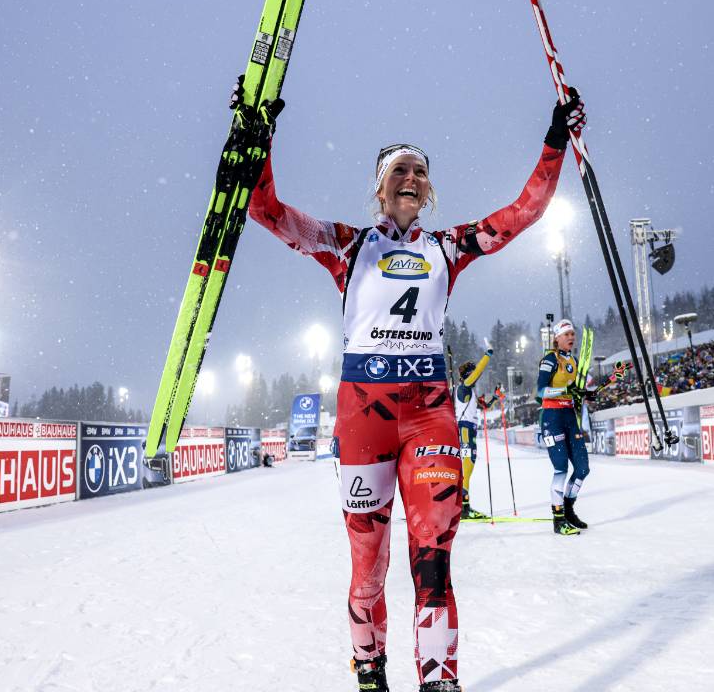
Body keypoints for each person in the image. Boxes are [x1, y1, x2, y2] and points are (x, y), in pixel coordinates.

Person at [245, 79, 585, 692]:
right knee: (367, 567)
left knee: (433, 558)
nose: (412, 178)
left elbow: (524, 212)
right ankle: (370, 669)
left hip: (428, 413)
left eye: (421, 172)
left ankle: (439, 680)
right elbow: (267, 211)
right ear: (379, 187)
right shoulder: (348, 247)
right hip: (363, 414)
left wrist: (555, 139)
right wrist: (258, 143)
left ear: (429, 191)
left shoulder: (448, 247)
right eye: (400, 170)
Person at [536, 318, 598, 535]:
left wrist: (587, 395)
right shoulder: (550, 359)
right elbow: (540, 392)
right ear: (557, 338)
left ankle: (569, 509)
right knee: (561, 468)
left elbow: (578, 390)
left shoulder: (574, 362)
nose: (571, 337)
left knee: (582, 468)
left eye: (573, 334)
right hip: (552, 418)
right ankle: (558, 519)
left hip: (570, 417)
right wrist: (565, 392)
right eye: (567, 334)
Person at [454, 348, 493, 520]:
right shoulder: (464, 386)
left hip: (470, 430)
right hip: (464, 428)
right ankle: (464, 507)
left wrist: (496, 398)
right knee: (466, 467)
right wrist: (488, 355)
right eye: (473, 374)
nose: (477, 377)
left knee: (468, 466)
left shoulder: (470, 391)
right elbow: (478, 371)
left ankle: (462, 505)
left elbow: (485, 408)